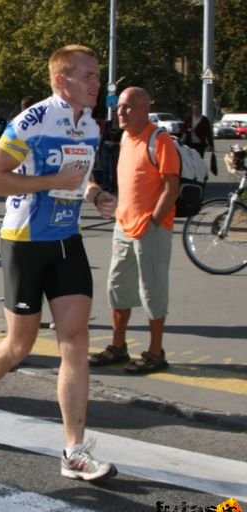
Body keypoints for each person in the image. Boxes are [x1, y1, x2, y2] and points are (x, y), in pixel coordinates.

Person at [0, 45, 118, 482]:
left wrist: (95, 194)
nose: (95, 82)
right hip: (24, 241)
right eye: (87, 75)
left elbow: (77, 180)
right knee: (19, 346)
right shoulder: (33, 120)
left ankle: (73, 452)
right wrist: (51, 181)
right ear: (62, 80)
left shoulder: (91, 126)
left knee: (75, 341)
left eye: (97, 75)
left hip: (67, 239)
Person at [87, 87, 179, 375]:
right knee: (117, 287)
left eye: (128, 107)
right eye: (119, 107)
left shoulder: (159, 140)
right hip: (123, 225)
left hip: (150, 228)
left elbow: (171, 186)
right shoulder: (126, 137)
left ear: (144, 109)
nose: (121, 112)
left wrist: (154, 221)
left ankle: (155, 351)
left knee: (152, 290)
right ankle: (118, 346)